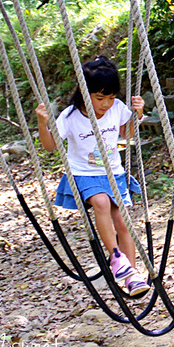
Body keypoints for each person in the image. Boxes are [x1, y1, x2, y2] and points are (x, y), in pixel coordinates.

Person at [36, 56, 151, 298]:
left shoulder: (118, 108)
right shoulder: (69, 117)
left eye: (110, 98)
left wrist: (137, 115)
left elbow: (126, 134)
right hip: (85, 174)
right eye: (100, 98)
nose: (106, 104)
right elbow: (50, 146)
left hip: (113, 173)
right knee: (100, 202)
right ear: (82, 90)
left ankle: (132, 276)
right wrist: (42, 123)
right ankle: (116, 257)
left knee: (123, 222)